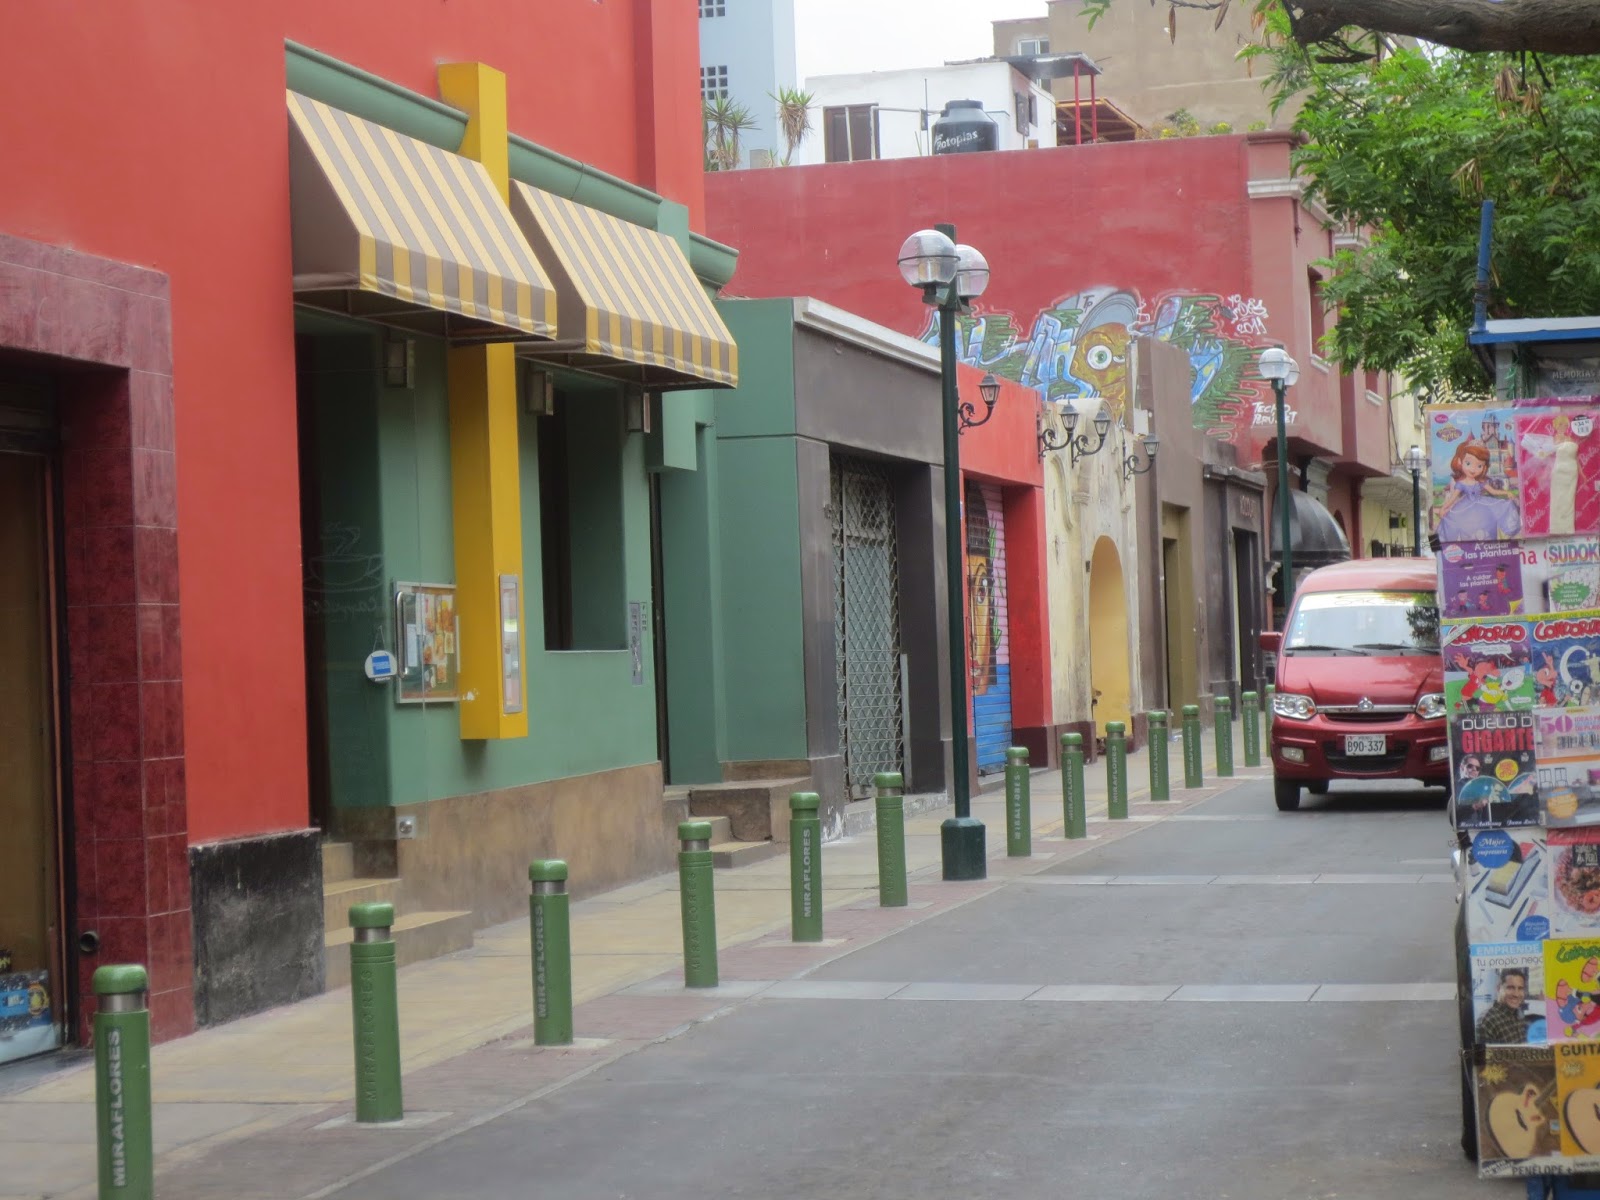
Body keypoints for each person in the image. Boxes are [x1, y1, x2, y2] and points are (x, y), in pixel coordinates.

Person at [1477, 967, 1530, 1044]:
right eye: (1510, 988)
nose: (1516, 994)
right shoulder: (1487, 1021)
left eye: (1520, 988)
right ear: (1499, 989)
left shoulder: (1518, 1013)